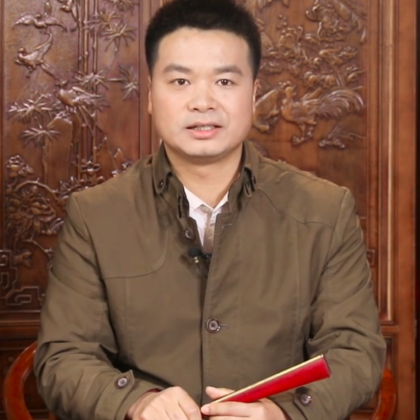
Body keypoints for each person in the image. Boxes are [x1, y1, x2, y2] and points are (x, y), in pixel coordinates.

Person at [34, 0, 386, 419]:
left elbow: (355, 351)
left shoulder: (325, 211)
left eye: (224, 81)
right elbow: (63, 358)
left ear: (253, 94)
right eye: (181, 81)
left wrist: (282, 413)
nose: (202, 102)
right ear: (151, 95)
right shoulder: (95, 215)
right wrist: (135, 402)